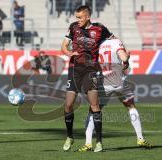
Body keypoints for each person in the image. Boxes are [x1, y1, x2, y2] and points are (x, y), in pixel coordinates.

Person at [77, 38, 153, 151]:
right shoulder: (116, 42)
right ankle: (140, 138)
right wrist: (127, 59)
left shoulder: (95, 45)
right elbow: (124, 58)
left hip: (104, 82)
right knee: (131, 107)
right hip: (119, 81)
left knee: (93, 110)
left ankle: (88, 143)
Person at [61, 5, 113, 152]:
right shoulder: (73, 28)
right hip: (74, 70)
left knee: (94, 105)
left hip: (91, 70)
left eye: (80, 17)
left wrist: (124, 51)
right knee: (68, 105)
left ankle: (99, 142)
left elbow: (114, 40)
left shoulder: (100, 29)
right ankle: (70, 137)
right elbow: (64, 46)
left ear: (88, 17)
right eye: (76, 17)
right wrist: (69, 53)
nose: (77, 20)